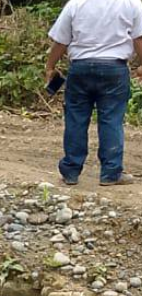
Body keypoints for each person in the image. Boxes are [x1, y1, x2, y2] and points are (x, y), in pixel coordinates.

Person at [46, 0, 142, 186]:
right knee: (111, 119)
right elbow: (139, 39)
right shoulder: (132, 3)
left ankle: (71, 171)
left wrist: (50, 66)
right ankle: (111, 173)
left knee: (76, 118)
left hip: (80, 67)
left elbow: (61, 41)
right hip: (114, 68)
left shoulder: (76, 4)